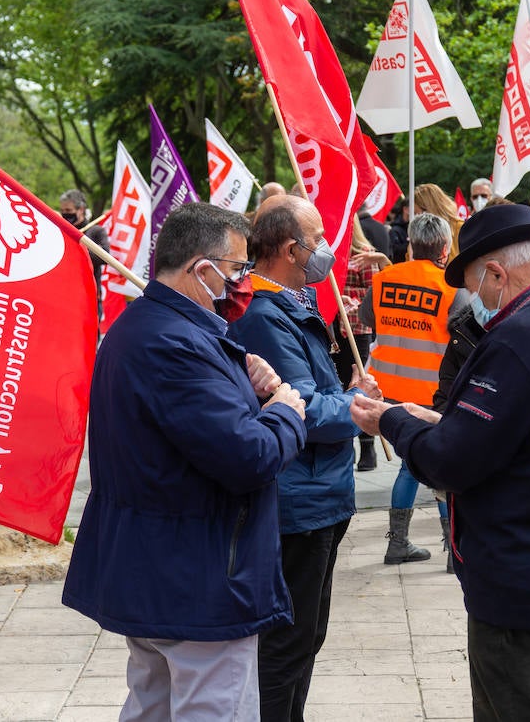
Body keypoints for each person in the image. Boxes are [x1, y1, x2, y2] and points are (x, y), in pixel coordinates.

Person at [351, 203, 530, 720]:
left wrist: (389, 422)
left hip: (525, 580)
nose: (475, 301)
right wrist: (436, 421)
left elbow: (451, 463)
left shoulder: (522, 337)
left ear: (499, 274)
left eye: (476, 285)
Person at [62, 203, 306, 721]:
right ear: (202, 269)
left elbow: (189, 424)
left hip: (167, 568)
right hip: (198, 577)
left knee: (153, 705)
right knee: (208, 708)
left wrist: (240, 369)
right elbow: (248, 456)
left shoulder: (152, 327)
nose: (244, 282)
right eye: (239, 270)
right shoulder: (171, 341)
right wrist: (286, 414)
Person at [227, 194, 379, 722]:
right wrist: (359, 406)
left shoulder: (291, 305)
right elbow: (304, 410)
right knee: (288, 644)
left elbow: (315, 391)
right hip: (300, 500)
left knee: (307, 635)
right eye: (317, 241)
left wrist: (349, 390)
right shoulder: (268, 316)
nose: (326, 251)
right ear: (292, 250)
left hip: (319, 496)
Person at [360, 212, 466, 564]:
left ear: (410, 244)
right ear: (445, 247)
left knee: (410, 463)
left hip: (386, 390)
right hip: (431, 395)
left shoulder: (384, 279)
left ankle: (400, 542)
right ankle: (451, 549)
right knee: (437, 467)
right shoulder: (453, 289)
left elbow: (366, 320)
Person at [335, 216, 387, 472]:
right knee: (340, 384)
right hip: (332, 329)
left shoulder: (364, 254)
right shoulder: (330, 252)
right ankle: (346, 442)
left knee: (359, 383)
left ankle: (367, 446)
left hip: (357, 328)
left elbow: (374, 293)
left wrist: (348, 296)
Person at [59, 189, 110, 318]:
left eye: (69, 211)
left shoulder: (96, 231)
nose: (65, 214)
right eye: (63, 211)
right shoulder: (59, 232)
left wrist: (78, 249)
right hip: (63, 297)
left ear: (81, 209)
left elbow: (105, 256)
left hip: (89, 299)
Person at [412, 183, 462, 256]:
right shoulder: (418, 233)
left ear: (428, 209)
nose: (416, 218)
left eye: (417, 213)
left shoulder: (460, 228)